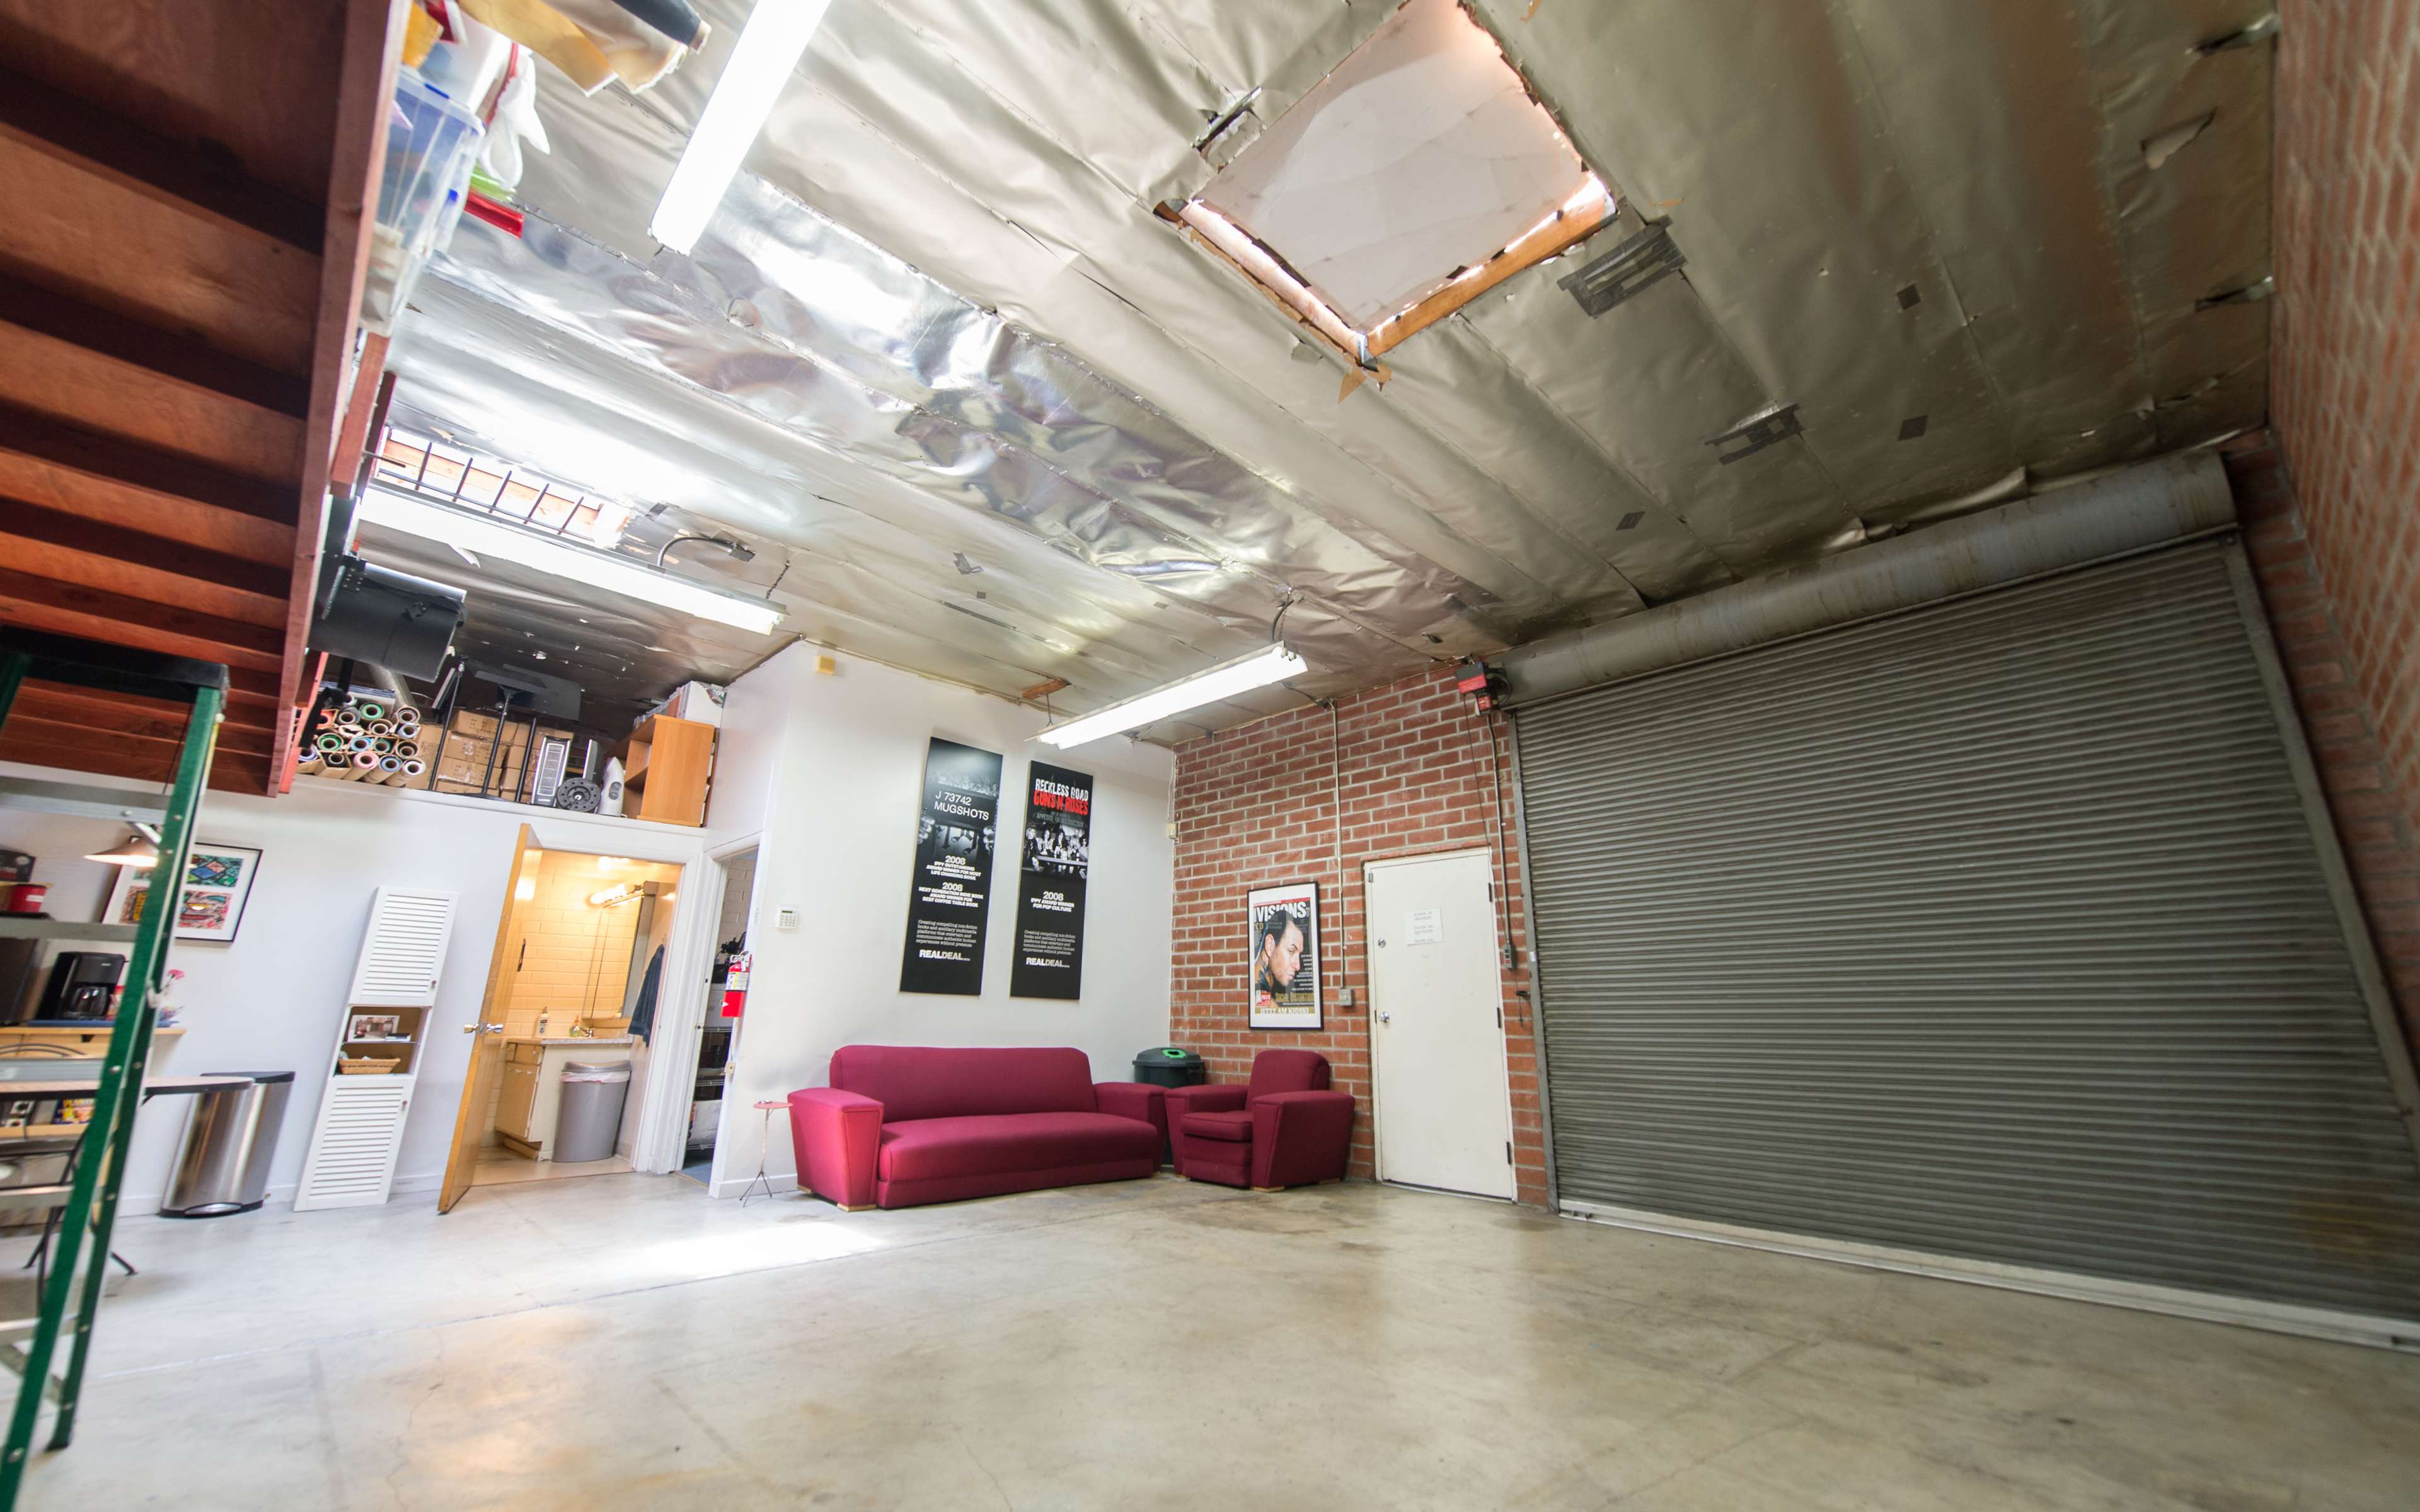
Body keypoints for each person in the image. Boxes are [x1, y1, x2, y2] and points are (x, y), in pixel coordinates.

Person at [1252, 909, 1307, 1009]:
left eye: (1299, 954)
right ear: (1270, 946)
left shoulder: (1261, 998)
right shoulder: (1263, 1006)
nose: (1298, 966)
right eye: (1291, 951)